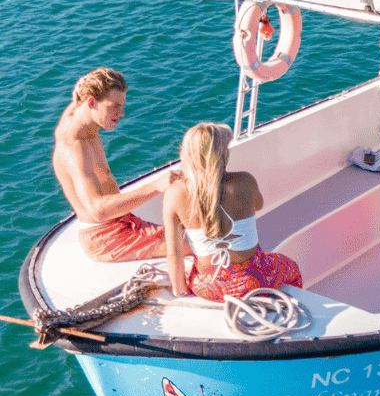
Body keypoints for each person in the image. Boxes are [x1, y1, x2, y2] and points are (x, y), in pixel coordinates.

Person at [53, 68, 184, 262]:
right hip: (106, 237)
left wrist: (81, 87)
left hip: (122, 221)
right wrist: (156, 186)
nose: (121, 113)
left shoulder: (79, 114)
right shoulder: (74, 148)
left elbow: (79, 99)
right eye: (115, 106)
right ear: (92, 103)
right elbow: (98, 210)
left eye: (122, 106)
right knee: (201, 242)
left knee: (200, 228)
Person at [163, 123, 302, 302]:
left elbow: (174, 254)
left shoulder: (174, 193)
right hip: (255, 282)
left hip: (209, 288)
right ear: (223, 155)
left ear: (185, 155)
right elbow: (258, 205)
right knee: (291, 267)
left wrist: (179, 292)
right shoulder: (245, 181)